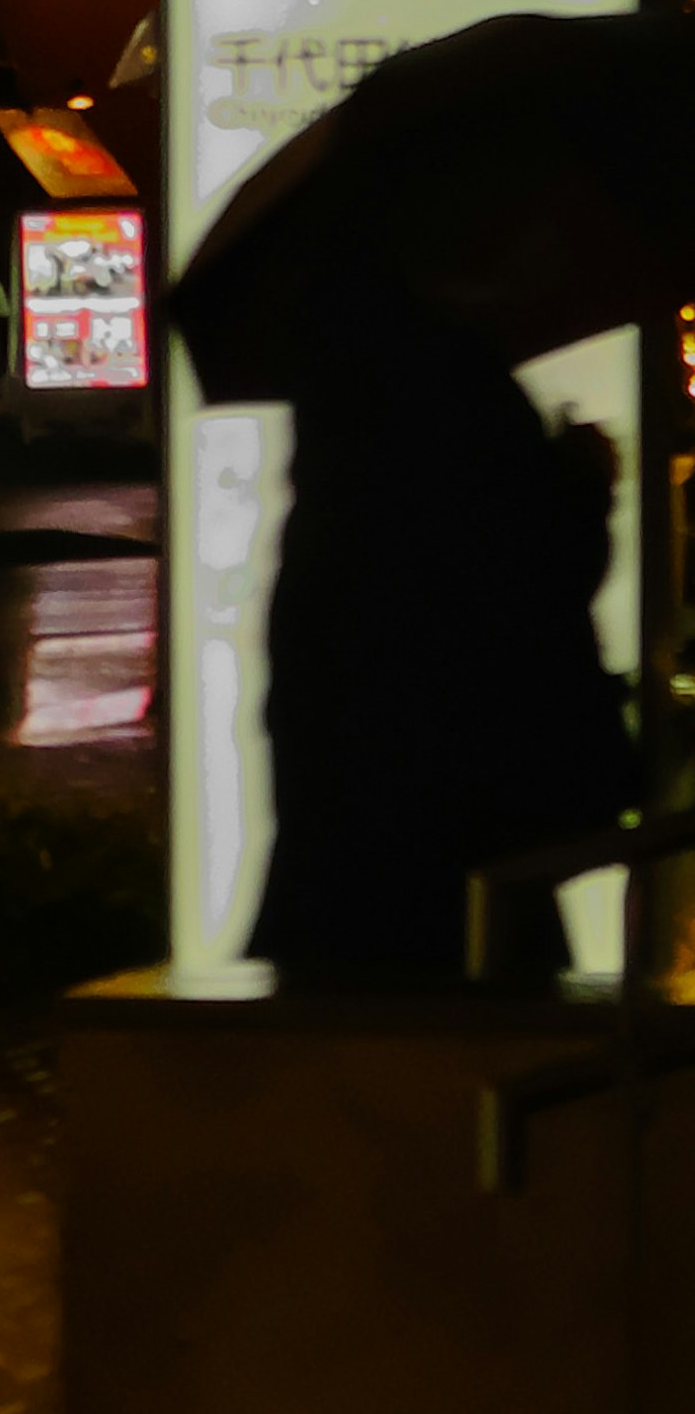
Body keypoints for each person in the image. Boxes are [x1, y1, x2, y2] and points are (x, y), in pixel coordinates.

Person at [246, 246, 625, 980]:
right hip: (471, 846)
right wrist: (582, 483)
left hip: (333, 868)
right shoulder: (459, 383)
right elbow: (531, 583)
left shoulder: (336, 430)